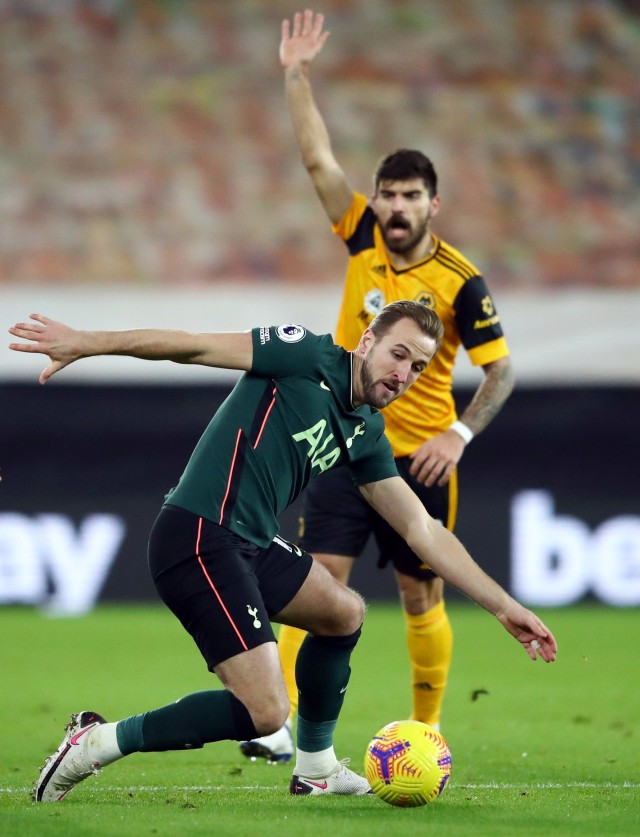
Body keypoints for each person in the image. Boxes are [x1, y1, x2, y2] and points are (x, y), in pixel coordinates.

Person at [9, 303, 555, 803]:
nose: (404, 373)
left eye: (418, 367)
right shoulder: (304, 353)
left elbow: (421, 529)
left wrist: (504, 606)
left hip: (248, 540)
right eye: (398, 354)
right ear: (366, 341)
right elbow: (194, 346)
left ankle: (316, 768)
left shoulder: (366, 429)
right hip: (199, 535)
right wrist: (87, 342)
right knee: (266, 712)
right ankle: (97, 742)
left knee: (343, 612)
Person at [240, 10, 517, 763]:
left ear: (434, 204)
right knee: (315, 582)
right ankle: (280, 724)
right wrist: (295, 74)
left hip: (416, 460)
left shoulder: (461, 281)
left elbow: (501, 370)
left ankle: (425, 729)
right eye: (387, 194)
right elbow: (317, 161)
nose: (394, 208)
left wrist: (458, 433)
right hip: (341, 441)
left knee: (420, 595)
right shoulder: (360, 235)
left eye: (409, 196)